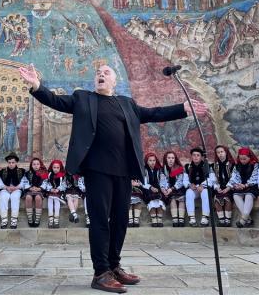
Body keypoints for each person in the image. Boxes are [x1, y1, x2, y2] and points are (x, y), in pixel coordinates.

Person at [20, 63, 206, 293]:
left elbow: (154, 113)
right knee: (100, 221)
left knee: (120, 220)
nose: (101, 74)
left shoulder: (126, 104)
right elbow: (56, 101)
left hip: (124, 171)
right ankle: (101, 273)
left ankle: (114, 266)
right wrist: (37, 85)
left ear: (114, 81)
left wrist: (183, 108)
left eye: (106, 72)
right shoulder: (83, 99)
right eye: (98, 72)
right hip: (97, 170)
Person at [0, 152, 29, 229]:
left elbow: (24, 183)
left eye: (13, 162)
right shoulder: (2, 172)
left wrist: (16, 187)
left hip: (16, 189)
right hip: (5, 189)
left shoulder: (21, 171)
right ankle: (4, 219)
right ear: (7, 162)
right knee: (3, 197)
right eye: (9, 162)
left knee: (15, 197)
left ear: (16, 162)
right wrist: (6, 187)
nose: (11, 164)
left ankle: (14, 219)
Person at [228, 147, 259, 228]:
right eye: (241, 159)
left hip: (251, 186)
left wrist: (246, 185)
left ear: (250, 157)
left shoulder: (255, 165)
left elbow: (254, 177)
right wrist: (236, 184)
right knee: (236, 195)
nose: (242, 161)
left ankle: (243, 219)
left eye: (244, 159)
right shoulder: (237, 165)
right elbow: (235, 176)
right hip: (240, 186)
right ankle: (248, 219)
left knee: (249, 195)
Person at [184, 147, 215, 227]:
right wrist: (190, 185)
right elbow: (185, 180)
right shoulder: (188, 167)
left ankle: (205, 218)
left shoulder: (207, 166)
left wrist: (203, 185)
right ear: (191, 156)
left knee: (205, 192)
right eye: (194, 155)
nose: (196, 157)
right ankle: (192, 218)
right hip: (194, 189)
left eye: (198, 155)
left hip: (203, 188)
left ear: (201, 157)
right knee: (188, 193)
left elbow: (212, 179)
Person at [159, 150, 185, 227]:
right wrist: (164, 189)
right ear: (165, 159)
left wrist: (172, 189)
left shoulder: (179, 168)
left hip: (178, 188)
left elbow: (180, 182)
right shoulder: (163, 169)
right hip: (169, 189)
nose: (171, 160)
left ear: (175, 159)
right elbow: (163, 180)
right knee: (172, 199)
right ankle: (175, 219)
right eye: (169, 158)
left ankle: (181, 219)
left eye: (172, 158)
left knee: (181, 198)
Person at [211, 145, 234, 227]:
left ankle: (227, 220)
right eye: (218, 152)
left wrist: (228, 187)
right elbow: (213, 178)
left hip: (230, 187)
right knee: (217, 199)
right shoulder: (214, 166)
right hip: (219, 187)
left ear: (226, 152)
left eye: (222, 152)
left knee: (227, 199)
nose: (220, 154)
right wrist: (217, 187)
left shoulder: (232, 164)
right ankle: (221, 220)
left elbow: (234, 177)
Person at [42, 159, 66, 228]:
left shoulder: (63, 175)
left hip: (59, 192)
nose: (55, 169)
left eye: (57, 168)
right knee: (50, 199)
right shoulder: (49, 174)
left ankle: (56, 219)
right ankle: (50, 219)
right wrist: (50, 189)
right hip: (50, 192)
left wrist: (58, 189)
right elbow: (46, 183)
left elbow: (64, 184)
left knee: (56, 200)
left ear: (60, 168)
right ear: (51, 168)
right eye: (54, 167)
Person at [142, 152, 165, 227]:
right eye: (150, 160)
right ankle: (154, 218)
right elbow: (143, 182)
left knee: (159, 199)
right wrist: (151, 187)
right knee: (151, 199)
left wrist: (162, 188)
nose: (152, 162)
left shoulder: (159, 170)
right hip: (147, 188)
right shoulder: (144, 170)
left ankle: (159, 218)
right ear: (147, 161)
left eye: (154, 160)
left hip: (158, 187)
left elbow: (162, 181)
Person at [24, 157, 47, 227]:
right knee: (28, 197)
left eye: (37, 164)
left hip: (40, 190)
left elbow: (46, 182)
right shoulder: (27, 173)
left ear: (40, 165)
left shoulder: (44, 173)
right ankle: (30, 218)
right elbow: (25, 182)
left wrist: (39, 188)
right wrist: (30, 188)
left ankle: (37, 219)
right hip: (30, 190)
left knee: (38, 198)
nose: (36, 166)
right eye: (34, 164)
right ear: (31, 165)